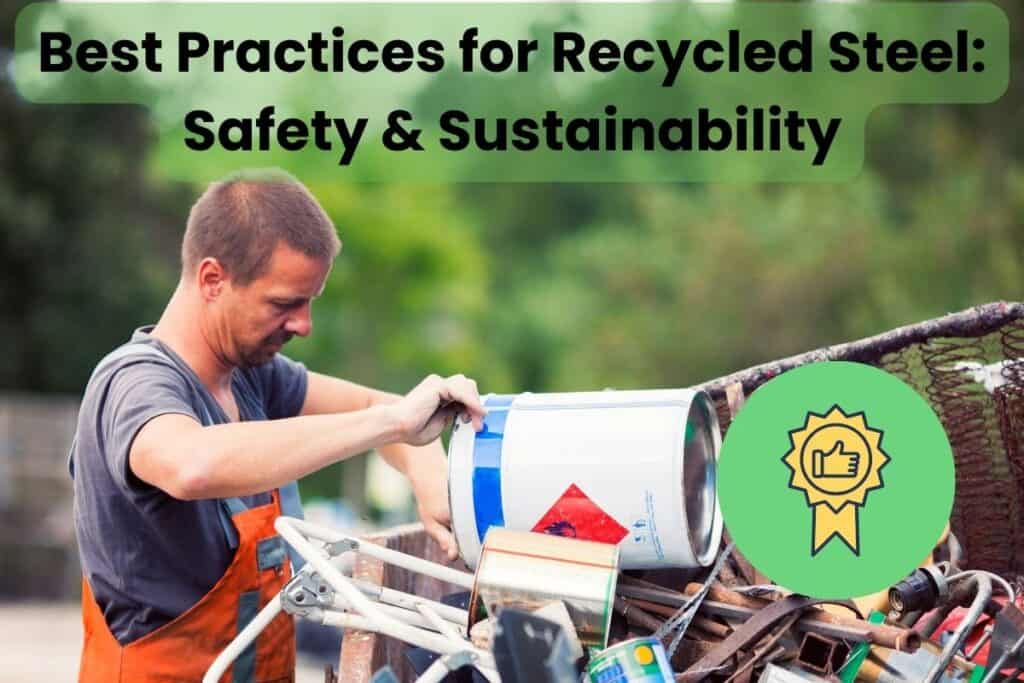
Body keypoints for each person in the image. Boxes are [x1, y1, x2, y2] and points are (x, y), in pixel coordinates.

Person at [69, 169, 486, 682]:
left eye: (310, 302)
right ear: (212, 280)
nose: (304, 325)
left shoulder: (256, 378)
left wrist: (430, 482)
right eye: (284, 303)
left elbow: (390, 408)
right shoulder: (134, 383)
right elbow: (191, 464)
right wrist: (390, 423)